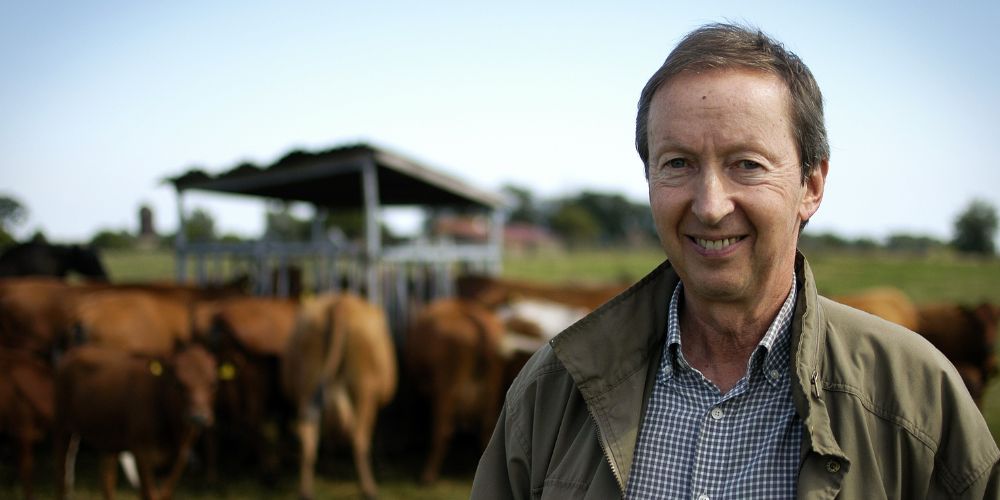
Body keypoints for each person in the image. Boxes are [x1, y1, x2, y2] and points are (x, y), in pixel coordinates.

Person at [471, 22, 999, 499]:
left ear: (811, 186)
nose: (710, 205)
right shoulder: (556, 383)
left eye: (746, 164)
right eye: (677, 163)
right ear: (649, 179)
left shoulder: (915, 393)